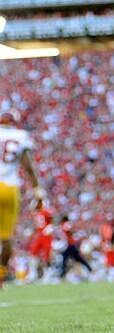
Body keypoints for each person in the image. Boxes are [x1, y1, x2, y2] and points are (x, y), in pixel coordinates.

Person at [0, 110, 45, 288]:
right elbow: (28, 167)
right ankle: (1, 276)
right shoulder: (20, 136)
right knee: (6, 237)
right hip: (10, 188)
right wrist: (38, 192)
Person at [58, 215, 91, 281]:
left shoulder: (65, 224)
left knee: (69, 259)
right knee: (68, 259)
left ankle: (62, 274)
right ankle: (62, 274)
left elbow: (70, 231)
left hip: (69, 245)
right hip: (68, 245)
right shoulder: (64, 225)